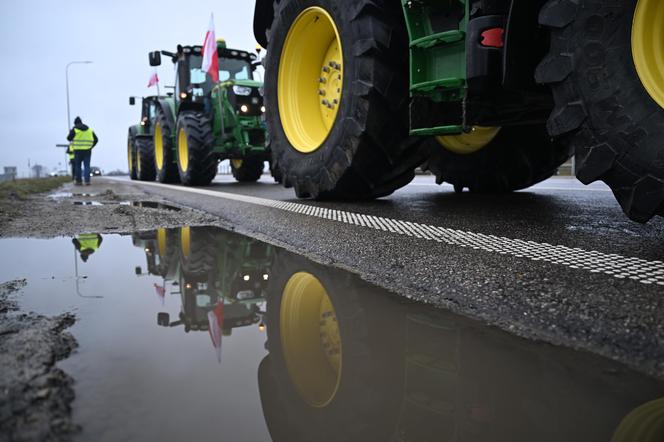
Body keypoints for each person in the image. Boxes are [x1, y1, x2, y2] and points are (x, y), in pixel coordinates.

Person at [67, 116, 99, 186]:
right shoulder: (89, 130)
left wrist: (71, 132)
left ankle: (79, 181)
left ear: (75, 123)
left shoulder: (75, 129)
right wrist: (91, 146)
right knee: (87, 166)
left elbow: (68, 138)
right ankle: (87, 181)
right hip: (87, 150)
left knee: (78, 166)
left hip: (78, 150)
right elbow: (96, 139)